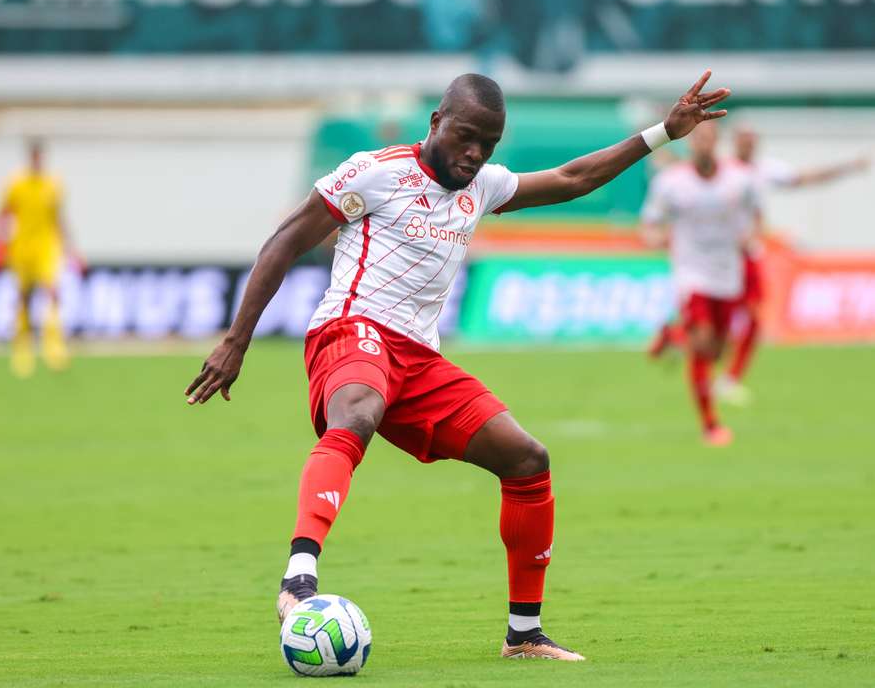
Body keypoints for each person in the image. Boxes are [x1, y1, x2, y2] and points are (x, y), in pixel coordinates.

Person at [185, 71, 731, 660]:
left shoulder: (485, 185)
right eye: (466, 137)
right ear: (436, 123)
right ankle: (298, 578)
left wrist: (662, 134)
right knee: (358, 412)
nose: (475, 155)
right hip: (352, 331)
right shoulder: (376, 171)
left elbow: (576, 179)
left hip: (420, 360)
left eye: (488, 145)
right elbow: (285, 242)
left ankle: (523, 635)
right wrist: (237, 340)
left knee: (527, 460)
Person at [714, 127, 870, 403]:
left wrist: (847, 167)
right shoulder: (721, 171)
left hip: (747, 255)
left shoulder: (763, 171)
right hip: (718, 255)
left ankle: (730, 378)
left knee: (750, 316)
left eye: (752, 141)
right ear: (733, 143)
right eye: (743, 140)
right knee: (715, 319)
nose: (748, 145)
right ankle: (681, 342)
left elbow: (805, 178)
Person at [641, 122, 759, 446]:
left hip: (727, 272)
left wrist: (751, 235)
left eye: (709, 139)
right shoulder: (671, 182)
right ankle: (710, 425)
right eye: (698, 140)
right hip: (691, 273)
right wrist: (655, 237)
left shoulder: (740, 179)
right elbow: (650, 221)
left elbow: (754, 214)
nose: (704, 145)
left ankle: (672, 335)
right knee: (703, 345)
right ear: (691, 144)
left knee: (717, 350)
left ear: (717, 142)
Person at [0, 139, 79, 377]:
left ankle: (53, 347)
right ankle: (22, 349)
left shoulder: (52, 185)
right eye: (35, 157)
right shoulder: (15, 184)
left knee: (52, 293)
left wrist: (71, 250)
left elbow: (59, 219)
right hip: (22, 248)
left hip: (47, 248)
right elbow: (0, 215)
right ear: (30, 158)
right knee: (24, 298)